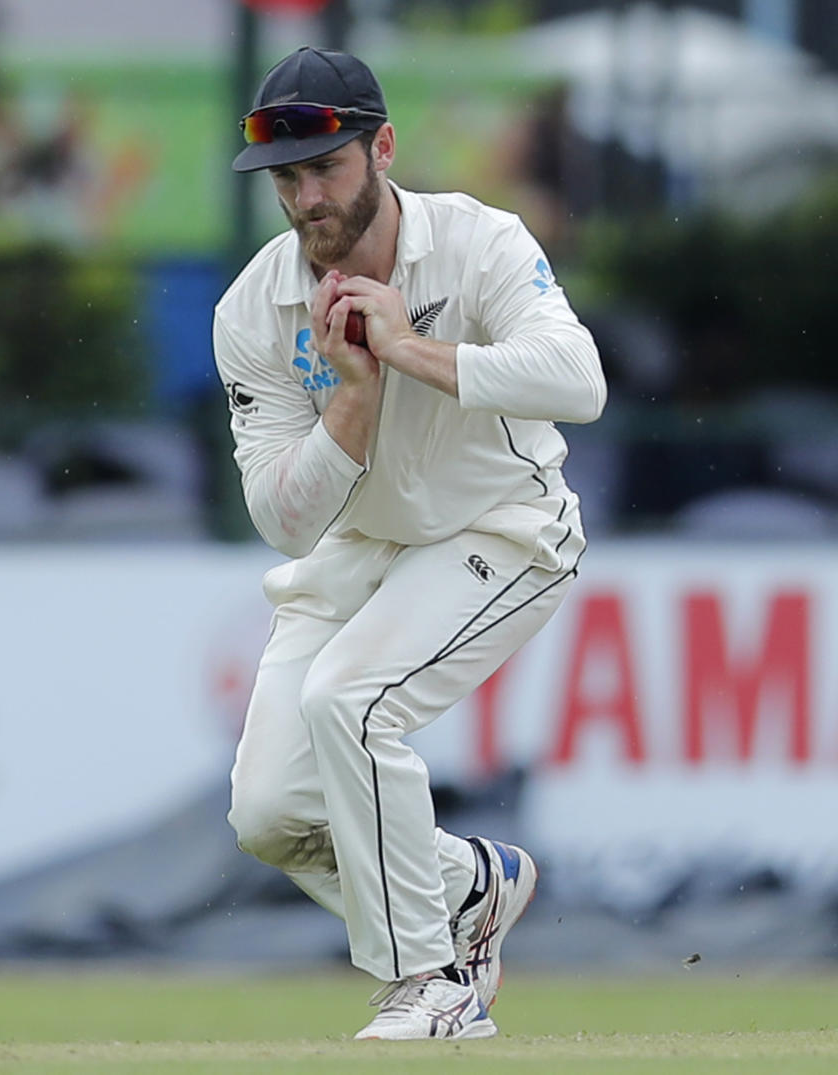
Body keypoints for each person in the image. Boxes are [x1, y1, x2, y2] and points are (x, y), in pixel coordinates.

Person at [213, 46, 606, 1041]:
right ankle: (470, 883)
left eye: (326, 167)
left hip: (502, 527)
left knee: (350, 697)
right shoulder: (253, 311)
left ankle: (433, 982)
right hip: (360, 549)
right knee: (267, 813)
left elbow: (579, 383)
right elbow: (282, 519)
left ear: (381, 147)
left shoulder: (480, 243)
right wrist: (353, 396)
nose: (307, 198)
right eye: (287, 178)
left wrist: (409, 350)